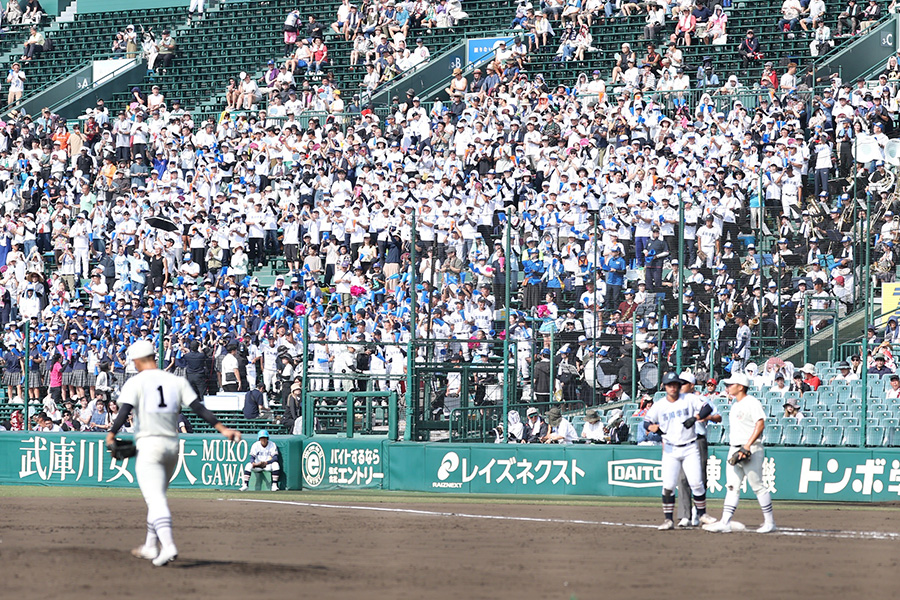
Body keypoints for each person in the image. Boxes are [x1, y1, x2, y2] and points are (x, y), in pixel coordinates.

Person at [105, 340, 242, 566]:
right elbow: (198, 408)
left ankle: (168, 546)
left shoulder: (136, 381)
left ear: (137, 361)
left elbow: (124, 412)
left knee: (155, 499)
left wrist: (111, 434)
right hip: (172, 446)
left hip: (149, 445)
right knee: (157, 497)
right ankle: (150, 546)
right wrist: (223, 429)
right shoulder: (175, 380)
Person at [703, 372, 776, 534]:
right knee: (732, 486)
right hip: (735, 447)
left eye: (731, 385)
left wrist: (747, 446)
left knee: (757, 486)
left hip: (751, 448)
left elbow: (760, 424)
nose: (728, 387)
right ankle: (725, 522)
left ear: (741, 387)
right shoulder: (735, 404)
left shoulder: (751, 402)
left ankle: (770, 522)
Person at [643, 372, 716, 530]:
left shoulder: (688, 399)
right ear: (665, 386)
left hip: (690, 447)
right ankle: (668, 519)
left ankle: (702, 514)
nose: (673, 388)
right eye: (670, 385)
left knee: (696, 483)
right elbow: (646, 421)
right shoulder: (660, 405)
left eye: (675, 384)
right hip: (670, 449)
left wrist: (695, 418)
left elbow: (708, 407)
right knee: (668, 486)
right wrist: (651, 427)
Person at [676, 371, 720, 528]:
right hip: (682, 440)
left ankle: (697, 511)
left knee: (699, 478)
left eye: (683, 383)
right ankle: (684, 515)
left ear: (691, 385)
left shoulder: (701, 399)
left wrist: (705, 417)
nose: (680, 386)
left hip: (698, 439)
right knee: (682, 479)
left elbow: (718, 417)